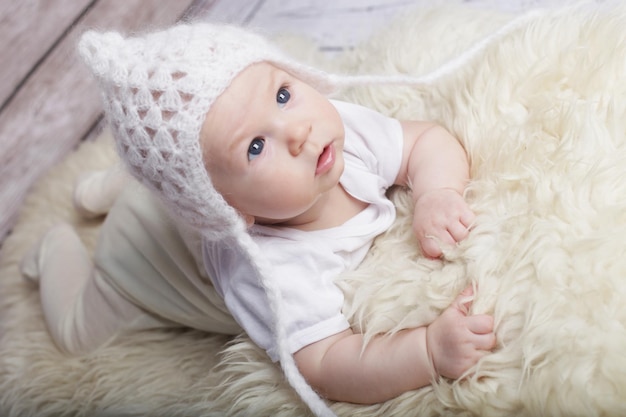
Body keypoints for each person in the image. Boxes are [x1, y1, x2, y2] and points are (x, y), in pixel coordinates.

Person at [21, 23, 495, 415]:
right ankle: (54, 246)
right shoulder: (275, 269)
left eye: (284, 95)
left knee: (173, 170)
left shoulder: (331, 136)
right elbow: (329, 363)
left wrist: (438, 192)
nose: (296, 131)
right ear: (230, 210)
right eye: (255, 146)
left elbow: (424, 141)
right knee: (77, 331)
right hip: (137, 260)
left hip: (173, 200)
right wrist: (427, 351)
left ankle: (114, 185)